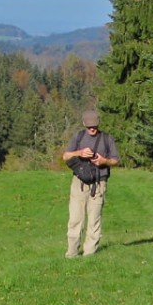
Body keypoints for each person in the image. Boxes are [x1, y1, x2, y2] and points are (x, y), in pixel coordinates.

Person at [62, 109, 118, 257]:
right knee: (75, 219)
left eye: (94, 125)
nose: (92, 128)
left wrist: (104, 161)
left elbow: (115, 160)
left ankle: (89, 255)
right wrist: (79, 153)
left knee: (94, 219)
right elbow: (65, 156)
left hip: (99, 183)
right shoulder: (78, 137)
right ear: (84, 124)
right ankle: (72, 253)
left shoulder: (107, 139)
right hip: (79, 183)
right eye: (89, 126)